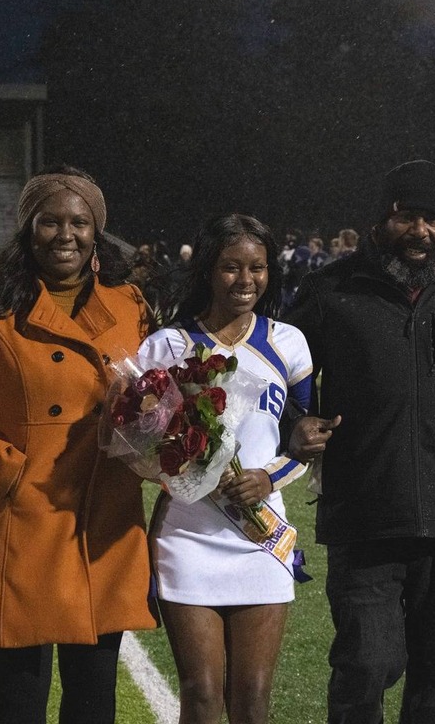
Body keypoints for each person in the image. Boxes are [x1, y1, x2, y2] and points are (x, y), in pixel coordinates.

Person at [285, 159, 435, 724]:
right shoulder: (331, 290)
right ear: (381, 221)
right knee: (365, 665)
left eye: (433, 219)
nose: (420, 230)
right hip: (365, 515)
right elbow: (278, 379)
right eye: (406, 216)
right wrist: (292, 424)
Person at [0, 166, 158, 724]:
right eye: (50, 221)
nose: (65, 234)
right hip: (20, 519)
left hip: (103, 521)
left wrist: (157, 439)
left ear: (96, 232)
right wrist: (7, 469)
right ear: (28, 229)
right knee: (19, 701)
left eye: (79, 222)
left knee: (94, 697)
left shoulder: (130, 306)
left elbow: (156, 392)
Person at [138, 213, 313, 724]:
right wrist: (182, 466)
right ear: (209, 271)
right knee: (201, 692)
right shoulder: (166, 346)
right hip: (189, 537)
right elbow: (143, 448)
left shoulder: (289, 343)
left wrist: (267, 478)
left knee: (253, 698)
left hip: (262, 535)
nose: (246, 280)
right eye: (231, 267)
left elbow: (306, 439)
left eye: (257, 268)